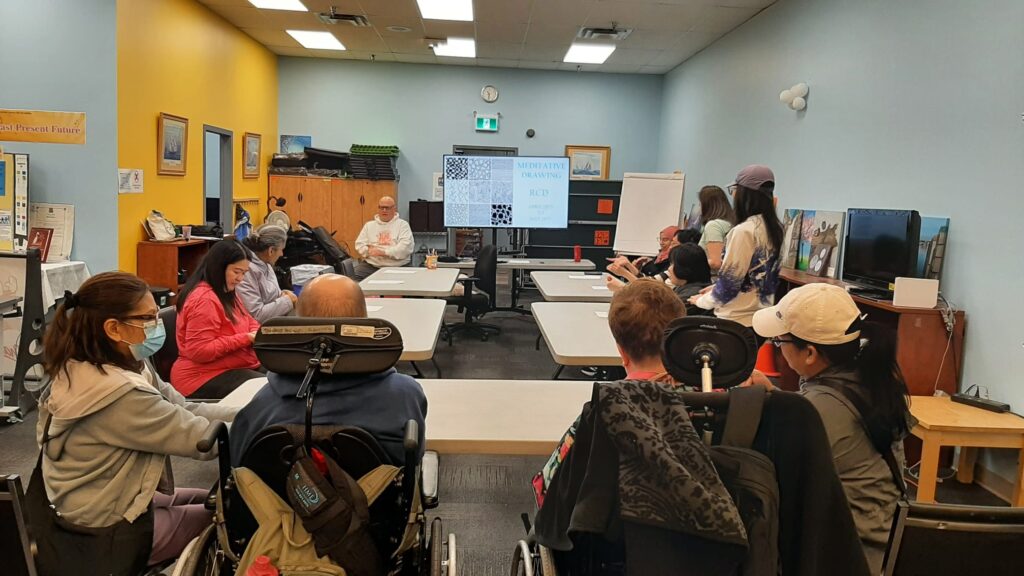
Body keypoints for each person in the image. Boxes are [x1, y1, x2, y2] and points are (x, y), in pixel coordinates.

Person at [33, 272, 238, 573]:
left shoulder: (114, 365)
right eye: (149, 318)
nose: (157, 325)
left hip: (95, 497)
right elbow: (201, 439)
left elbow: (183, 408)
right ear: (114, 328)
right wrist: (267, 427)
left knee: (213, 498)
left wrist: (252, 413)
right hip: (102, 529)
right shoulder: (118, 393)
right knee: (234, 513)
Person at [749, 283, 911, 573]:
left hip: (849, 556)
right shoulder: (870, 380)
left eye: (779, 341)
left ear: (809, 353)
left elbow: (775, 476)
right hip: (884, 544)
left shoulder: (816, 409)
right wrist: (778, 397)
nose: (777, 348)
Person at [229, 274, 427, 466]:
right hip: (381, 497)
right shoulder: (404, 394)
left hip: (278, 498)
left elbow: (238, 461)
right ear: (365, 321)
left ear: (297, 323)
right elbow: (414, 457)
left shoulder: (265, 403)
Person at [692, 165, 783, 332]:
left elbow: (729, 286)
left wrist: (700, 300)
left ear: (744, 194)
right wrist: (714, 288)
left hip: (735, 321)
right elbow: (752, 275)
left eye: (734, 190)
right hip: (761, 318)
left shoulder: (744, 231)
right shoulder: (775, 228)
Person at [172, 239, 263, 399]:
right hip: (200, 377)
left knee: (281, 376)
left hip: (228, 366)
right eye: (236, 272)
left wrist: (254, 331)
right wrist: (246, 338)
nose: (241, 278)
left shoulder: (226, 292)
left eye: (244, 273)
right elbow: (199, 351)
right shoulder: (205, 300)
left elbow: (250, 320)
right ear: (219, 268)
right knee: (268, 391)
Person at [238, 223, 297, 323]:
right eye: (281, 250)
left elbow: (272, 297)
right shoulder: (246, 270)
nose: (282, 254)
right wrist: (288, 300)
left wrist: (283, 294)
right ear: (270, 251)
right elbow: (256, 315)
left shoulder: (266, 264)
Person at [353, 195, 414, 280]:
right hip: (372, 266)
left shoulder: (403, 225)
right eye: (381, 208)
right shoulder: (369, 226)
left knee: (409, 284)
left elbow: (404, 248)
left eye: (387, 208)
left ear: (394, 209)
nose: (384, 210)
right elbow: (360, 244)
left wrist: (384, 252)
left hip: (398, 266)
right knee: (351, 281)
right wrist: (368, 251)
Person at [695, 185, 735, 272]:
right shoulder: (731, 223)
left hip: (713, 280)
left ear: (707, 205)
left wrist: (692, 262)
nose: (699, 207)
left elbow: (715, 262)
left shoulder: (713, 226)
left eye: (700, 204)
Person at [667, 243, 713, 316]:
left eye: (673, 264)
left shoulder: (689, 297)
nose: (669, 269)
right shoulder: (686, 287)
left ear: (685, 268)